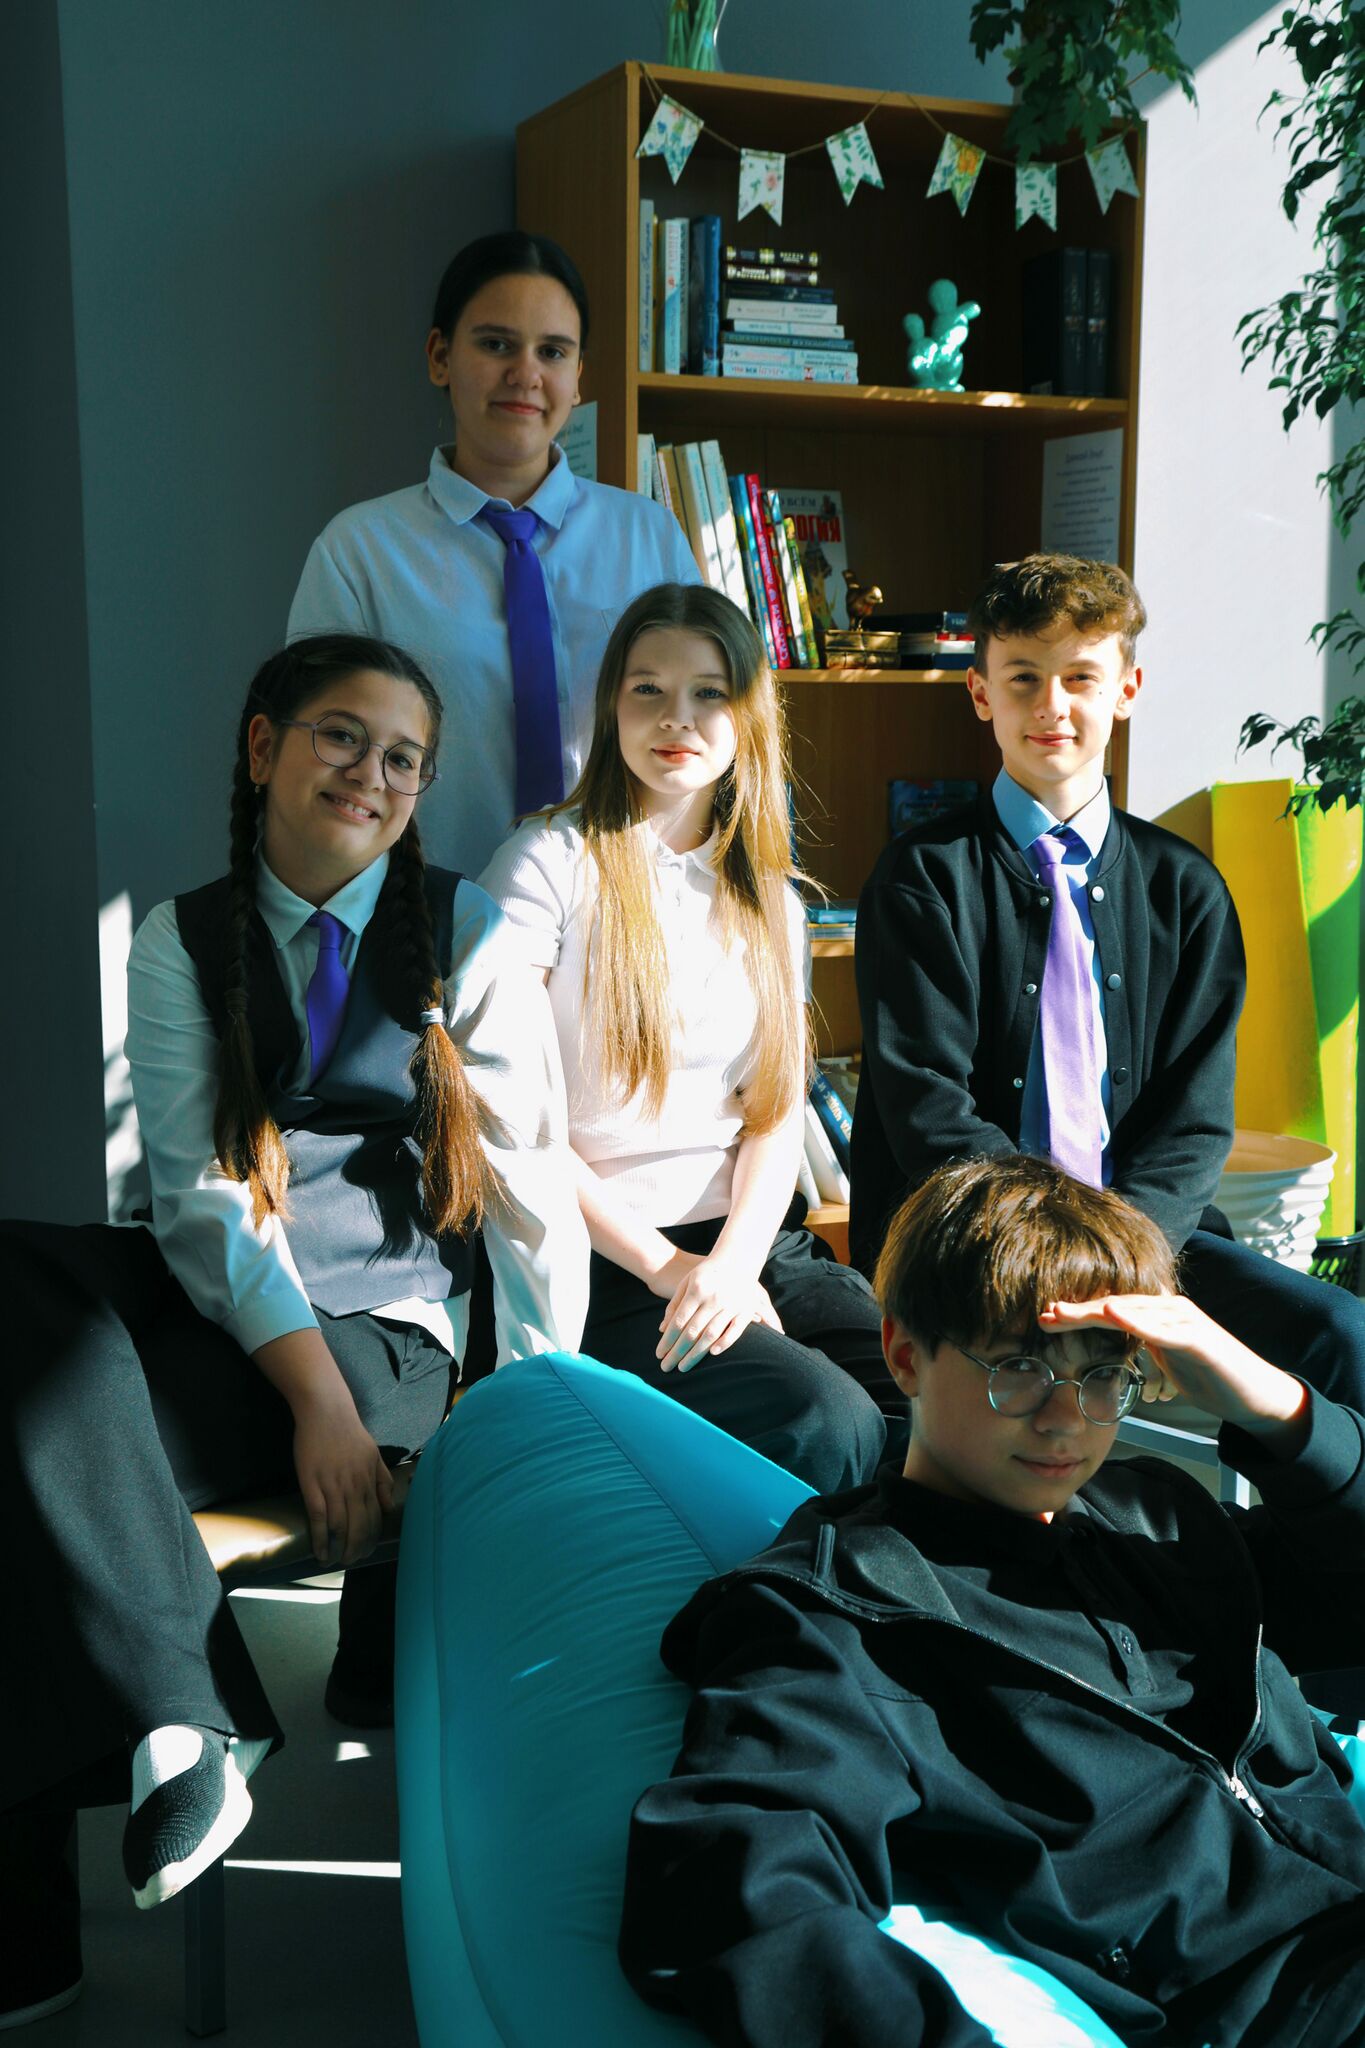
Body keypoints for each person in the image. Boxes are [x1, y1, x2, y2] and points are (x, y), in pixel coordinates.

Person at [0, 633, 585, 2029]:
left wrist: (538, 1412)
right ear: (263, 746)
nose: (369, 772)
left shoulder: (468, 933)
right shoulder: (181, 937)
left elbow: (529, 1189)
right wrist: (309, 1398)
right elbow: (202, 1198)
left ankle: (58, 1887)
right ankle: (187, 1719)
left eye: (402, 757)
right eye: (339, 735)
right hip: (229, 1315)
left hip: (388, 1330)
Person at [620, 1155, 1365, 2048]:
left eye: (1102, 1376)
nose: (1064, 1419)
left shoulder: (1159, 1519)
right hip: (1282, 2006)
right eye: (1019, 1368)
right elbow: (736, 1885)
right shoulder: (842, 1613)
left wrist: (1279, 1408)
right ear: (904, 1354)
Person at [849, 555, 1365, 1524]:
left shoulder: (1187, 890)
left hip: (1150, 1242)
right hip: (972, 1242)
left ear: (1125, 689)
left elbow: (1193, 1124)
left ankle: (1305, 1597)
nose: (1053, 705)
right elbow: (928, 1110)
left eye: (1081, 677)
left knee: (1342, 1335)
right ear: (980, 693)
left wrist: (1129, 1269)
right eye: (1023, 678)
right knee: (1013, 1366)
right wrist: (1060, 1265)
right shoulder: (922, 880)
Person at [479, 581, 893, 1494]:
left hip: (749, 1241)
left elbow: (772, 1115)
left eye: (709, 692)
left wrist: (732, 1264)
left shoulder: (772, 898)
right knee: (827, 1423)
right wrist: (669, 1267)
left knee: (923, 1404)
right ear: (610, 706)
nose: (677, 717)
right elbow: (509, 1123)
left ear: (748, 716)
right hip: (608, 1260)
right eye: (648, 690)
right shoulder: (545, 865)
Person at [288, 229, 701, 880]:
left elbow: (711, 729)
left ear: (576, 378)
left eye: (552, 351)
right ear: (439, 357)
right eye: (496, 344)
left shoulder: (649, 537)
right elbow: (321, 766)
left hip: (621, 910)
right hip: (424, 915)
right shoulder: (359, 552)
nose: (526, 374)